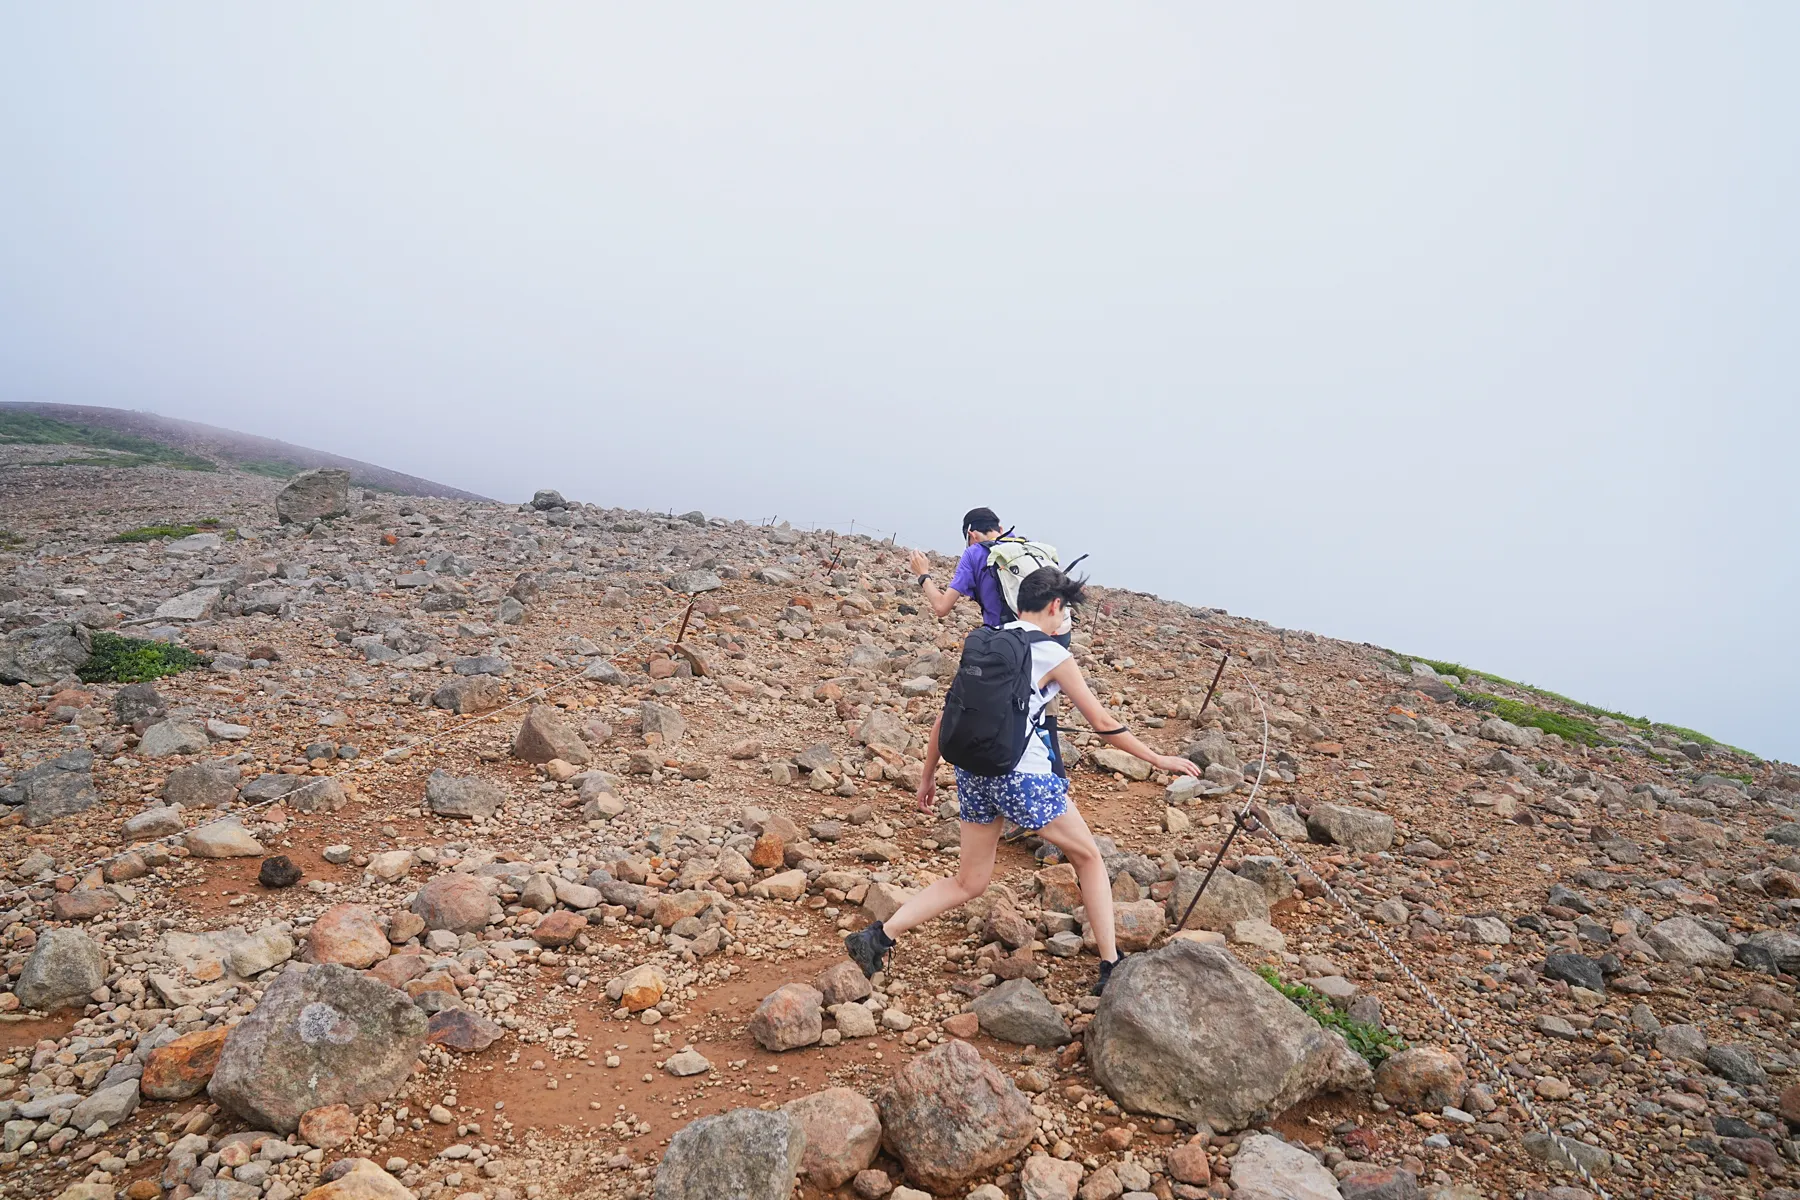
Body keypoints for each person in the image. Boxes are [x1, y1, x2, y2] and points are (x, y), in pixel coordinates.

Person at [845, 566, 1202, 994]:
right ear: (1056, 606)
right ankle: (1110, 964)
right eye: (1065, 609)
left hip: (973, 773)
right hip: (1022, 778)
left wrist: (927, 775)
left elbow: (948, 714)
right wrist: (1158, 758)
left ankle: (877, 938)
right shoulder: (1052, 654)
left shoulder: (984, 640)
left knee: (969, 882)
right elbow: (1103, 722)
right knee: (1088, 858)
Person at [908, 507, 1009, 629]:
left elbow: (941, 608)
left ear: (972, 535)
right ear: (1001, 530)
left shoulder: (974, 553)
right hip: (1036, 637)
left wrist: (922, 574)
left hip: (1004, 639)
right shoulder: (1030, 549)